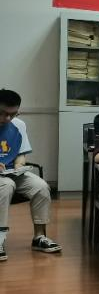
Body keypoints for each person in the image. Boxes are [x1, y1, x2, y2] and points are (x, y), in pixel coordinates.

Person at [0, 89, 60, 259]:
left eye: (12, 114)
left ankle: (39, 237)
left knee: (41, 186)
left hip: (10, 172)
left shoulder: (19, 125)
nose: (7, 118)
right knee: (6, 185)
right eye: (3, 113)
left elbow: (21, 154)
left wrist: (19, 166)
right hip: (4, 180)